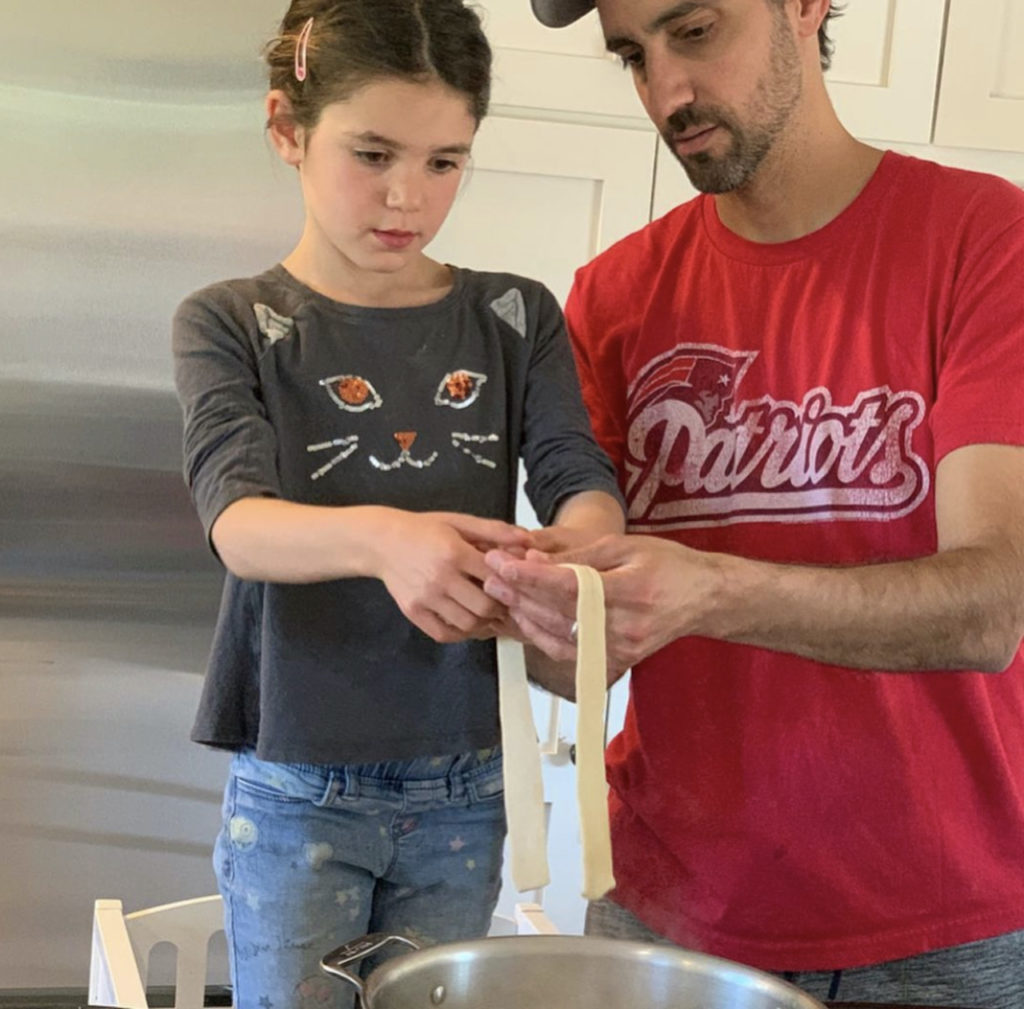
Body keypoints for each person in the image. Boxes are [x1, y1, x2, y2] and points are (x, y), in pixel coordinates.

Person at [483, 0, 1024, 1005]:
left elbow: (993, 605)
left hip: (947, 929)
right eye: (631, 56)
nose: (665, 92)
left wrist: (710, 590)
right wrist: (526, 604)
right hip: (671, 916)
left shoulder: (986, 240)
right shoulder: (609, 299)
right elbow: (579, 666)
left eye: (694, 32)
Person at [171, 2, 625, 1006]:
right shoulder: (230, 320)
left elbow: (575, 474)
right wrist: (385, 539)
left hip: (470, 772)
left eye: (443, 162)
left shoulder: (512, 315)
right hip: (295, 782)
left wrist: (575, 551)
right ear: (287, 128)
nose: (406, 197)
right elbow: (238, 521)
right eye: (371, 153)